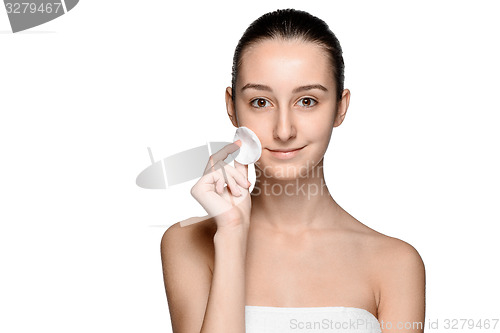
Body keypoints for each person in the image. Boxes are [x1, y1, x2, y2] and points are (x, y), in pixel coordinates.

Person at [161, 8, 425, 333]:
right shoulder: (188, 244)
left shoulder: (396, 263)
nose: (284, 130)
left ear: (340, 107)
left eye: (307, 101)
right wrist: (231, 234)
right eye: (261, 102)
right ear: (232, 107)